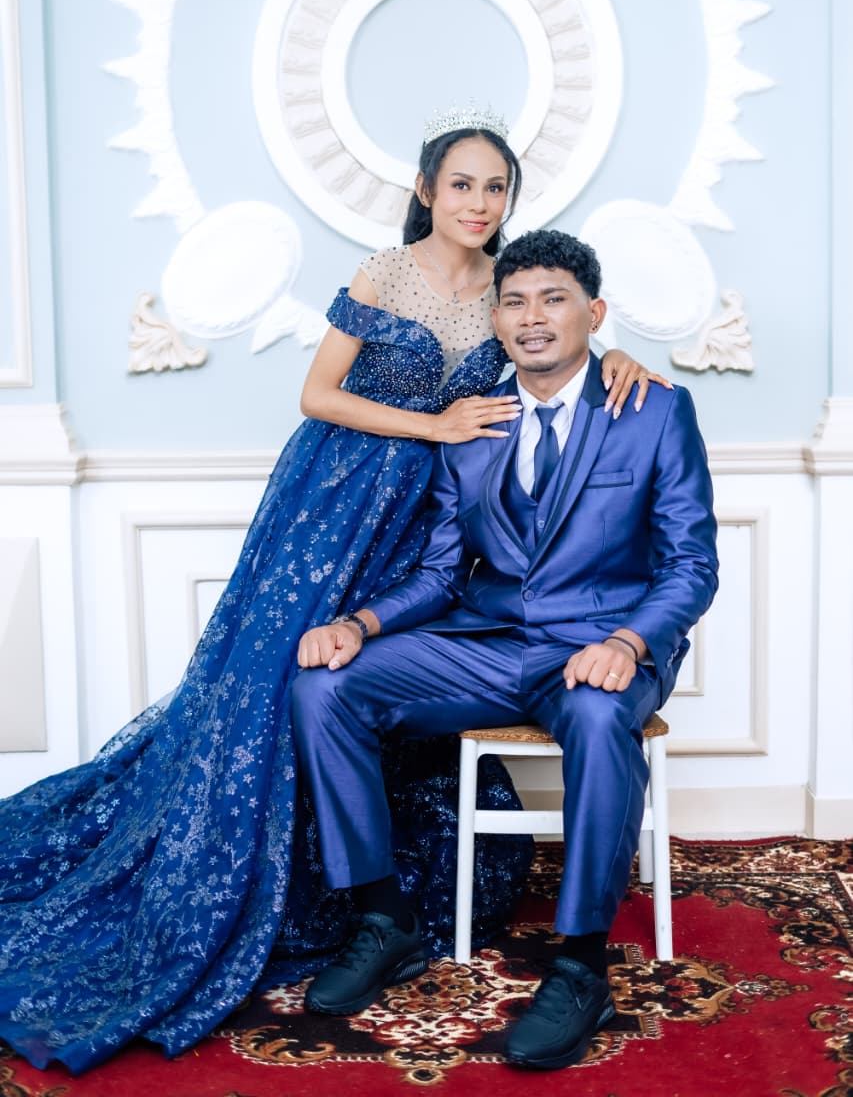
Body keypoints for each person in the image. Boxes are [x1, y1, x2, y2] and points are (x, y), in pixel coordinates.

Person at [0, 110, 663, 1074]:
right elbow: (316, 395)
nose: (478, 203)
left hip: (426, 519)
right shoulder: (385, 272)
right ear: (426, 190)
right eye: (461, 184)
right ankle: (262, 887)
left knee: (381, 686)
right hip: (337, 497)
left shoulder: (508, 286)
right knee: (275, 687)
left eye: (495, 188)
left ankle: (380, 908)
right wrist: (434, 426)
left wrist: (623, 359)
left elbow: (559, 344)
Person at [294, 229, 719, 1071]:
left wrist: (628, 642)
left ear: (593, 312)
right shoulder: (474, 420)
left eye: (553, 299)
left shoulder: (655, 410)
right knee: (323, 687)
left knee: (596, 717)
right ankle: (383, 918)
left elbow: (690, 564)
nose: (532, 318)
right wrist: (361, 625)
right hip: (486, 644)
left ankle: (581, 966)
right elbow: (439, 572)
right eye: (514, 302)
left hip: (600, 646)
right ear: (495, 320)